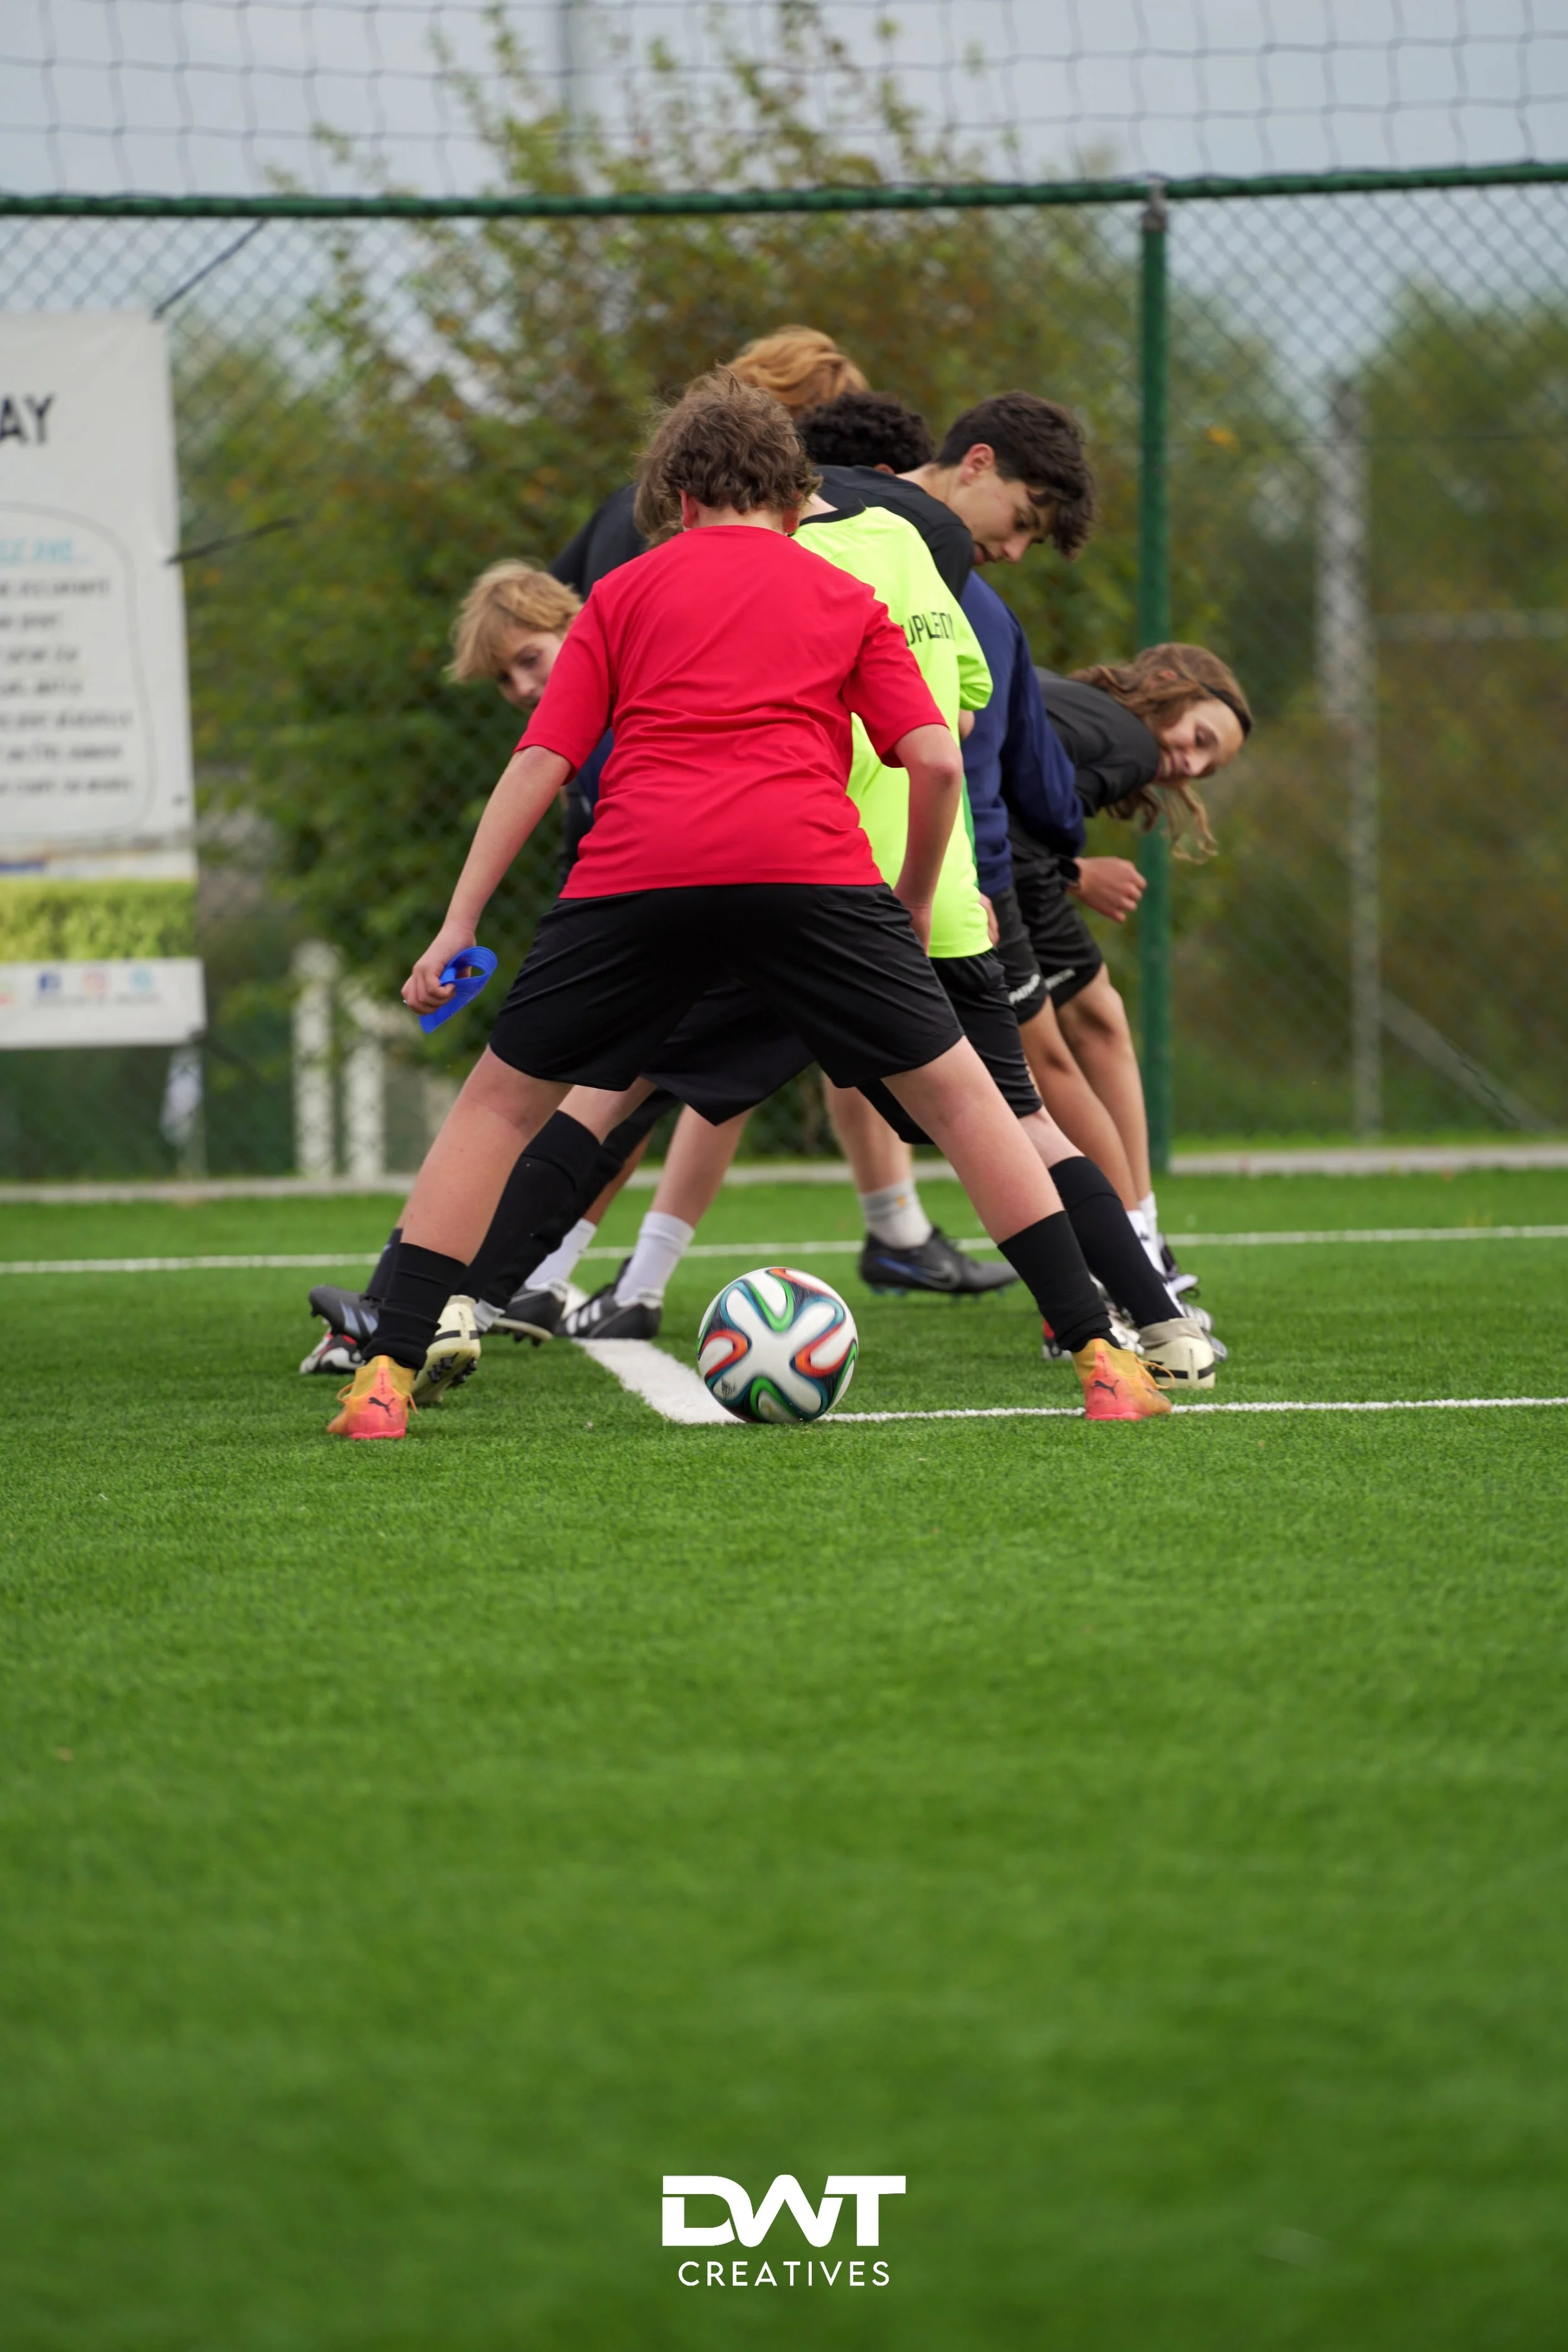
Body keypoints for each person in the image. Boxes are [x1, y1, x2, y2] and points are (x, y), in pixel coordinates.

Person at [327, 370, 1168, 1438]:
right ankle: (1102, 1357)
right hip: (809, 873)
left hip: (637, 873)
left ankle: (385, 1381)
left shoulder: (624, 592)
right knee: (968, 1103)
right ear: (794, 496)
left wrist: (458, 925)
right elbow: (936, 764)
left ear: (679, 501)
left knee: (501, 1104)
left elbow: (541, 761)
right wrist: (910, 906)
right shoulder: (846, 595)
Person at [1009, 647, 1253, 1293]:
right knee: (1046, 1065)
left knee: (1098, 1018)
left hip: (991, 866)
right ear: (1169, 684)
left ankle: (1140, 1235)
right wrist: (1075, 874)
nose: (1191, 764)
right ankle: (1119, 1267)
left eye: (1208, 764)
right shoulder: (1129, 745)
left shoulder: (1078, 708)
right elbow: (991, 803)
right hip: (983, 880)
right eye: (1198, 737)